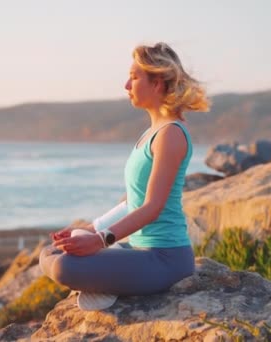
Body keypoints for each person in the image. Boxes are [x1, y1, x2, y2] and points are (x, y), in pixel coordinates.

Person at [39, 42, 210, 310]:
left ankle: (110, 282)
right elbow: (134, 199)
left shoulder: (171, 134)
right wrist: (90, 229)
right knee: (49, 252)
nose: (126, 86)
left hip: (166, 258)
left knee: (62, 266)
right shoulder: (151, 133)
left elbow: (152, 207)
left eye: (134, 77)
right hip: (140, 251)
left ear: (157, 83)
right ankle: (111, 279)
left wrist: (100, 240)